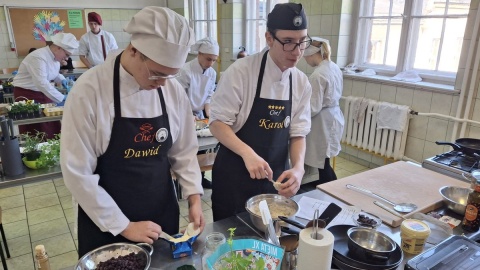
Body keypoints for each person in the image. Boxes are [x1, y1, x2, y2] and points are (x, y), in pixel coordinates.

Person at [60, 7, 205, 257]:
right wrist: (124, 226)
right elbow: (77, 173)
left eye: (170, 76)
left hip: (161, 215)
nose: (161, 83)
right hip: (106, 222)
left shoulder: (172, 91)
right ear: (134, 50)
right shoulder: (90, 90)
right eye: (157, 73)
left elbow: (184, 152)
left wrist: (193, 196)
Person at [209, 3, 312, 221]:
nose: (297, 51)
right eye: (288, 42)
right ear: (269, 38)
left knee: (269, 241)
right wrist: (248, 153)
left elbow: (298, 133)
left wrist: (299, 169)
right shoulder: (241, 72)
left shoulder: (301, 82)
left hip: (275, 177)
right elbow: (217, 123)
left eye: (302, 42)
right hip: (234, 176)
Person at [12, 33, 78, 139]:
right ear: (58, 48)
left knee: (50, 125)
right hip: (27, 94)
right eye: (66, 55)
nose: (66, 58)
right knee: (34, 128)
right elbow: (41, 82)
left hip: (42, 92)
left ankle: (52, 148)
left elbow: (54, 73)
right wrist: (62, 98)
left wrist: (63, 80)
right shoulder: (38, 57)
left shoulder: (54, 58)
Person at [177, 37, 219, 189]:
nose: (211, 63)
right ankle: (187, 181)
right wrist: (189, 115)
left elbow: (209, 95)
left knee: (203, 147)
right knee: (188, 149)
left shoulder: (212, 73)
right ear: (199, 54)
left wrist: (209, 115)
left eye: (214, 60)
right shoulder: (185, 71)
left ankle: (200, 178)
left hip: (200, 114)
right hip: (184, 113)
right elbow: (179, 98)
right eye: (208, 59)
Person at [302, 37, 344, 185]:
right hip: (334, 115)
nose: (306, 60)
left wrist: (298, 113)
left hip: (323, 121)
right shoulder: (334, 67)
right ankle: (331, 188)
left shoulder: (318, 75)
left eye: (305, 57)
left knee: (322, 163)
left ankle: (332, 189)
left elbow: (313, 107)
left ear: (313, 54)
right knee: (325, 159)